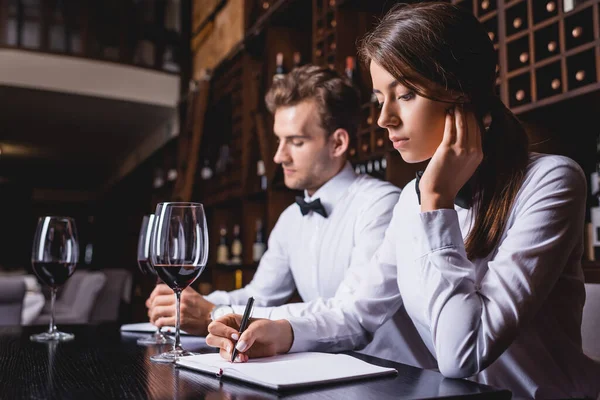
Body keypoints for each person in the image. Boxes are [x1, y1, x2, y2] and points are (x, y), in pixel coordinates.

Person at [205, 3, 600, 399]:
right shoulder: (414, 199)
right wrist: (282, 333)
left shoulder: (551, 181)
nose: (384, 119)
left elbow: (463, 353)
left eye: (406, 94)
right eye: (380, 99)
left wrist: (436, 202)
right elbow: (357, 312)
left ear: (462, 96)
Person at [146, 64, 436, 368]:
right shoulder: (289, 219)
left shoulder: (381, 204)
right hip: (330, 374)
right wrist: (194, 304)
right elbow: (260, 295)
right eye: (279, 140)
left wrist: (212, 313)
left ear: (338, 143)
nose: (278, 156)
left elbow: (350, 313)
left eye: (296, 142)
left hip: (400, 379)